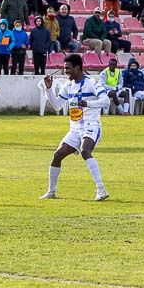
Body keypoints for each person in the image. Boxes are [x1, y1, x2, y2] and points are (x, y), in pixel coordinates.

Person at [39, 54, 112, 201]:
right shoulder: (69, 85)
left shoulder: (92, 83)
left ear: (77, 68)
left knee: (86, 151)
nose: (65, 71)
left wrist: (89, 103)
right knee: (57, 156)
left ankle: (101, 190)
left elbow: (106, 101)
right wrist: (49, 89)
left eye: (68, 68)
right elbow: (57, 106)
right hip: (74, 129)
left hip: (91, 126)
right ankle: (51, 191)